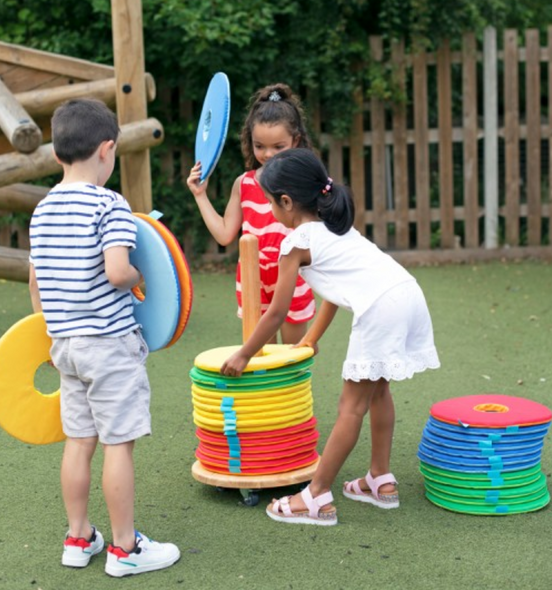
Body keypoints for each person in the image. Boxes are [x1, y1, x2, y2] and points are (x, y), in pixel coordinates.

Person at [221, 148, 440, 526]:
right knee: (379, 390)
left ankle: (316, 495)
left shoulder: (296, 244)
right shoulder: (336, 229)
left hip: (380, 307)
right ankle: (380, 479)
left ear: (286, 202)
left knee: (350, 406)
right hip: (407, 293)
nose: (271, 210)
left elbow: (275, 312)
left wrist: (244, 354)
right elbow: (335, 294)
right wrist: (310, 337)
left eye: (271, 202)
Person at [28, 98, 180, 575]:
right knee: (119, 444)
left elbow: (36, 282)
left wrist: (52, 336)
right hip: (110, 344)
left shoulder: (43, 210)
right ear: (107, 150)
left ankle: (78, 538)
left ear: (57, 156)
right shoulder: (109, 204)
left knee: (79, 441)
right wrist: (142, 275)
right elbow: (118, 272)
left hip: (66, 345)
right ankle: (124, 549)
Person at [187, 83, 316, 344]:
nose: (268, 155)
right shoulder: (243, 184)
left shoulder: (304, 183)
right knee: (262, 359)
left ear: (296, 141)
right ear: (251, 142)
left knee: (293, 356)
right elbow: (224, 234)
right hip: (252, 280)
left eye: (278, 147)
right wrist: (200, 195)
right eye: (260, 146)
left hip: (292, 276)